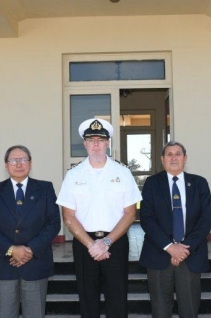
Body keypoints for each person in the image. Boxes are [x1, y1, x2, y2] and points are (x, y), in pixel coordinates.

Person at [56, 118, 140, 318]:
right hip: (85, 245)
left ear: (108, 143)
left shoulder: (123, 172)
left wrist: (107, 242)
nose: (96, 144)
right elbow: (68, 217)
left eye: (100, 140)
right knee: (87, 300)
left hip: (116, 242)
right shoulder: (73, 175)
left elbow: (130, 213)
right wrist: (92, 245)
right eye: (91, 139)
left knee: (118, 299)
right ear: (84, 143)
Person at [0, 145, 61, 318]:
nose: (19, 164)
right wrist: (11, 250)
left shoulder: (45, 188)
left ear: (30, 164)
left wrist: (30, 249)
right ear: (6, 165)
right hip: (4, 264)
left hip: (36, 263)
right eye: (13, 160)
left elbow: (53, 223)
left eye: (23, 159)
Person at [139, 141, 211, 318]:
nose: (174, 158)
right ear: (162, 159)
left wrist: (183, 248)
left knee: (189, 310)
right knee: (160, 311)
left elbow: (205, 221)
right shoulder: (151, 183)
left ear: (185, 158)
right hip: (159, 255)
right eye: (169, 154)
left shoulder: (199, 183)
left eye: (178, 154)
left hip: (190, 255)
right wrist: (169, 247)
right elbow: (146, 219)